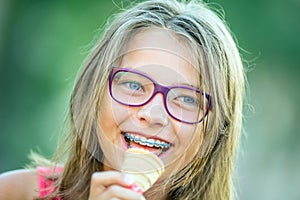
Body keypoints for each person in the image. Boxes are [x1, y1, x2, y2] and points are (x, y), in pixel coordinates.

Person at [0, 0, 245, 199]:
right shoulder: (14, 193)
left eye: (187, 99)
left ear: (216, 130)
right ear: (94, 95)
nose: (153, 115)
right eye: (134, 85)